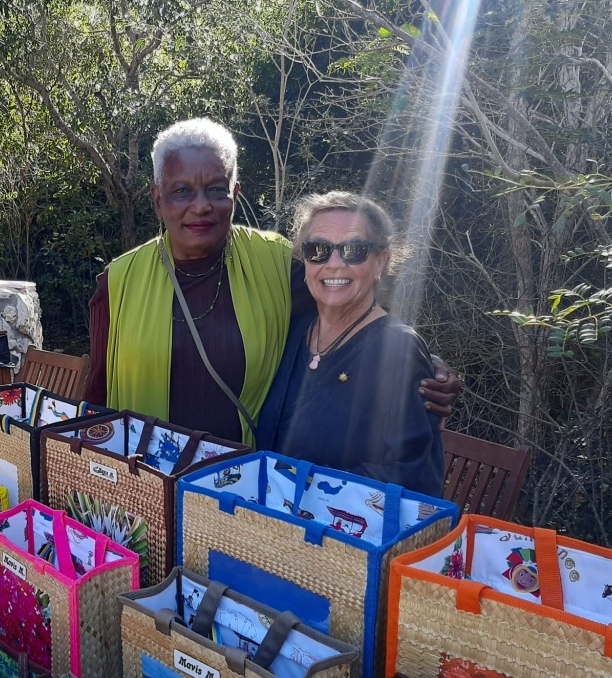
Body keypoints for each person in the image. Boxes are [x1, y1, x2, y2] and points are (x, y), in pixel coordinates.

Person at [84, 117, 459, 445]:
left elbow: (351, 313)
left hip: (242, 489)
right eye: (182, 191)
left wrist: (418, 360)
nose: (201, 206)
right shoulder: (117, 282)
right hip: (143, 477)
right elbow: (97, 393)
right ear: (157, 198)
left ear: (235, 193)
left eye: (216, 189)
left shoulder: (278, 263)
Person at [257, 192, 444, 496]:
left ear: (381, 261)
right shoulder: (293, 332)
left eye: (354, 250)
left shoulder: (397, 350)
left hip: (341, 536)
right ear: (304, 260)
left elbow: (413, 476)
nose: (334, 264)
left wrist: (306, 493)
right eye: (318, 249)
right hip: (267, 525)